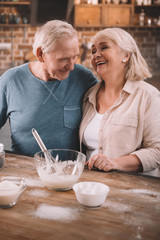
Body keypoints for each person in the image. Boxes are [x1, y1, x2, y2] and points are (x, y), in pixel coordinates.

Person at [0, 20, 97, 156]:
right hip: (23, 171)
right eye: (63, 59)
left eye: (74, 57)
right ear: (40, 54)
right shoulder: (11, 81)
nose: (71, 66)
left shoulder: (84, 78)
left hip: (69, 172)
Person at [79, 27, 160, 177]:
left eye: (104, 47)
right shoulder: (88, 97)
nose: (96, 55)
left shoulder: (148, 96)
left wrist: (115, 163)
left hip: (132, 189)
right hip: (91, 185)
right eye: (93, 51)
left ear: (126, 55)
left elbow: (157, 152)